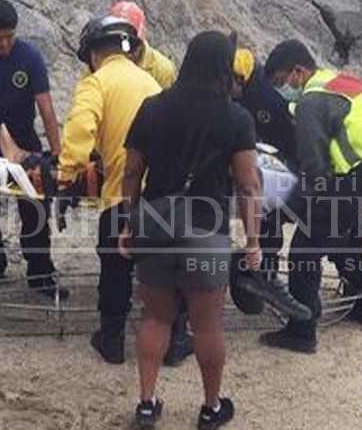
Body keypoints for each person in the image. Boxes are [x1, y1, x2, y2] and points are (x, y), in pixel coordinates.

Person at [120, 30, 262, 430]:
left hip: (156, 223)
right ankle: (211, 408)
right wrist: (253, 241)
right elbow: (249, 184)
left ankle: (147, 404)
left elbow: (132, 170)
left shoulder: (152, 107)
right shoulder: (237, 117)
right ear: (222, 67)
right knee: (207, 325)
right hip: (206, 226)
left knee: (155, 318)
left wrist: (129, 221)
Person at [57, 16, 191, 366]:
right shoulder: (152, 83)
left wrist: (67, 172)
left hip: (121, 192)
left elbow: (80, 129)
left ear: (92, 52)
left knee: (114, 267)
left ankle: (112, 340)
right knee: (163, 271)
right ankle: (175, 342)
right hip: (163, 195)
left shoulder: (95, 83)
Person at [260, 39, 362, 354]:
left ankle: (302, 330)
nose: (283, 89)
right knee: (352, 235)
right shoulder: (339, 81)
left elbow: (314, 167)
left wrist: (294, 208)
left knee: (306, 246)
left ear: (297, 71)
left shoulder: (312, 100)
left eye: (282, 81)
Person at [0, 0, 66, 298]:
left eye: (9, 36)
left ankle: (40, 270)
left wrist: (57, 155)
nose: (4, 44)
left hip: (25, 143)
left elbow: (46, 108)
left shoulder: (29, 56)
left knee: (35, 207)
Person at [231, 46, 310, 321]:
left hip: (281, 166)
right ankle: (259, 275)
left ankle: (263, 276)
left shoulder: (267, 101)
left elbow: (288, 141)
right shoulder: (243, 93)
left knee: (270, 217)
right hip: (255, 163)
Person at [108, 1, 177, 89]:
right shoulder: (98, 61)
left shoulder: (162, 70)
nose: (124, 52)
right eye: (117, 43)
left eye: (131, 44)